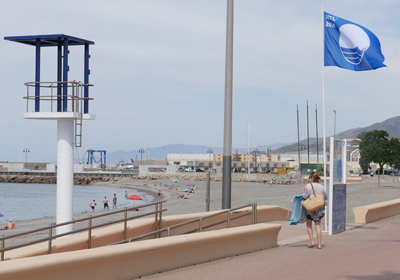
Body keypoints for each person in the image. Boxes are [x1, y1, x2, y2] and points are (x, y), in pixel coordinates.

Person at [302, 172, 327, 249]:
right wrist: (324, 205)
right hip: (318, 208)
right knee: (318, 226)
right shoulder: (322, 187)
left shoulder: (308, 186)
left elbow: (304, 196)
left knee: (309, 225)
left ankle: (312, 241)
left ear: (312, 178)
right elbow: (325, 197)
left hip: (310, 208)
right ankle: (319, 244)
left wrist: (303, 191)